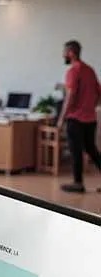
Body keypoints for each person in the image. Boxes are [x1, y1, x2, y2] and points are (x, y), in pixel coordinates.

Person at [57, 40, 101, 193]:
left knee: (76, 151)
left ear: (71, 53)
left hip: (75, 119)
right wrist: (90, 106)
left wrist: (61, 119)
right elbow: (99, 93)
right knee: (92, 150)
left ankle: (78, 183)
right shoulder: (90, 70)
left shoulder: (73, 71)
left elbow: (70, 96)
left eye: (64, 52)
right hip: (90, 118)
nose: (63, 55)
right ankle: (78, 182)